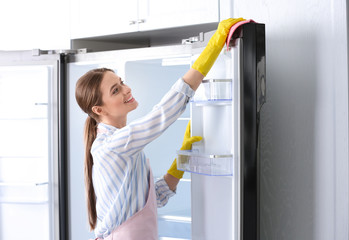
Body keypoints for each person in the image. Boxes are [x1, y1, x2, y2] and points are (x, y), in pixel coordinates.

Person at [75, 18, 245, 240]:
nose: (127, 90)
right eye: (116, 90)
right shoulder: (113, 145)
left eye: (122, 82)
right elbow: (161, 116)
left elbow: (150, 199)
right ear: (99, 109)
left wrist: (180, 164)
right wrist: (211, 50)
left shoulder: (119, 145)